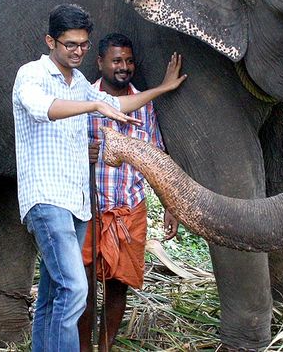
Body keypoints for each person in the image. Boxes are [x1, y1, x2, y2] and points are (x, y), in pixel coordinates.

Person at [12, 4, 186, 352]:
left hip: (77, 204)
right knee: (76, 287)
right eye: (69, 44)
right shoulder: (31, 75)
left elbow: (118, 105)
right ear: (50, 41)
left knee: (52, 293)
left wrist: (162, 89)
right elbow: (43, 108)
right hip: (47, 199)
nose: (77, 51)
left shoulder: (78, 83)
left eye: (82, 45)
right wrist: (93, 106)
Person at [78, 33, 179, 352]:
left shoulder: (143, 105)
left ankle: (105, 346)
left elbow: (157, 155)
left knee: (118, 284)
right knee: (84, 287)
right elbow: (59, 145)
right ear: (100, 63)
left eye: (129, 61)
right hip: (89, 208)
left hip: (129, 209)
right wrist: (83, 152)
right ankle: (83, 347)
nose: (124, 67)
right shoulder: (82, 99)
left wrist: (170, 204)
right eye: (117, 61)